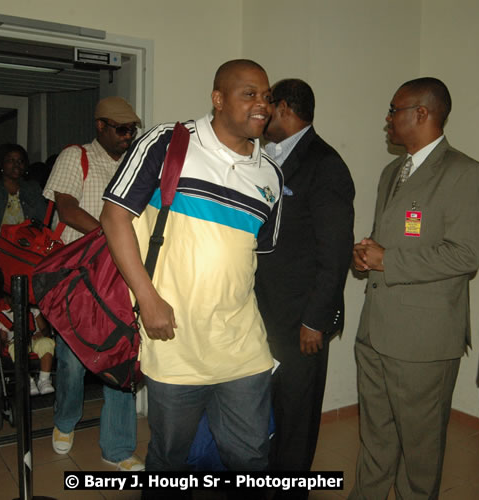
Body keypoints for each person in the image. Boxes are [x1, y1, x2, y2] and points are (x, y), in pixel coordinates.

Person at [100, 59, 282, 478]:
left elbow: (257, 261)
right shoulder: (168, 142)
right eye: (249, 94)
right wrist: (147, 299)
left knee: (250, 460)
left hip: (241, 347)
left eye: (267, 97)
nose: (262, 105)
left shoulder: (271, 175)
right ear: (218, 99)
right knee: (170, 459)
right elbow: (114, 217)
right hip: (174, 341)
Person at [351, 78, 479, 499]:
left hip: (424, 343)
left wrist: (387, 260)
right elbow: (390, 240)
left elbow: (465, 255)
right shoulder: (393, 171)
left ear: (423, 113)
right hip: (375, 331)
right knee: (375, 439)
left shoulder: (465, 173)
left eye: (395, 110)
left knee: (420, 451)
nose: (388, 119)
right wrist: (366, 255)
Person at [254, 78, 354, 491]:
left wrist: (315, 319)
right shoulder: (264, 158)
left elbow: (334, 252)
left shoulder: (324, 164)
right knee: (266, 409)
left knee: (296, 414)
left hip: (301, 320)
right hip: (263, 312)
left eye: (266, 104)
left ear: (285, 109)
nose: (259, 112)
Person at [42, 96, 144, 471]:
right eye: (121, 129)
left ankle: (117, 448)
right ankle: (65, 420)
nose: (128, 136)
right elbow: (66, 209)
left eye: (132, 129)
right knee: (71, 361)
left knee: (121, 359)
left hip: (122, 276)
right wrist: (110, 236)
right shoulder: (76, 156)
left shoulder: (135, 162)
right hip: (79, 278)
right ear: (99, 126)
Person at [0, 143, 47, 243]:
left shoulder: (33, 188)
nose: (16, 165)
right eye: (10, 160)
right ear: (1, 163)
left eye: (20, 161)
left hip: (23, 249)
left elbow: (43, 220)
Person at [0, 293, 55, 396]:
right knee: (18, 349)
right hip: (16, 341)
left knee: (47, 343)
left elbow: (45, 329)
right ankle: (28, 380)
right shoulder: (3, 315)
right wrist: (5, 342)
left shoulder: (32, 309)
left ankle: (44, 379)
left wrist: (41, 333)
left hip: (34, 338)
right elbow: (3, 338)